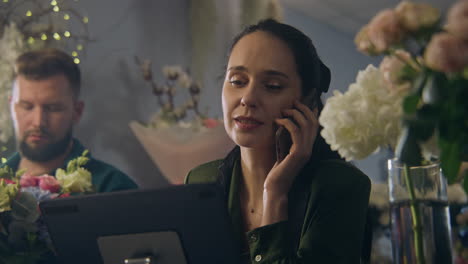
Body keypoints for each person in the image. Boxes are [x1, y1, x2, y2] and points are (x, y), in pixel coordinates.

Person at [185, 19, 371, 263]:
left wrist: (274, 194)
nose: (248, 98)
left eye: (272, 86)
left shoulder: (340, 186)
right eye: (237, 81)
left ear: (308, 104)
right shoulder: (200, 182)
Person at [2, 48, 137, 192]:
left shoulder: (112, 188)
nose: (38, 122)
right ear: (12, 107)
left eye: (53, 108)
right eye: (27, 107)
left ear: (77, 112)